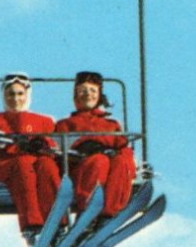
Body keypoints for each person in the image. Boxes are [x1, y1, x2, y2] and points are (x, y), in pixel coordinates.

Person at [0, 72, 62, 241]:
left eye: (20, 93)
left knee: (48, 166)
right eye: (11, 94)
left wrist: (44, 146)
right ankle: (32, 226)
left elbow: (54, 147)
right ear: (4, 95)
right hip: (6, 166)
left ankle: (58, 223)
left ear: (27, 95)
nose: (15, 98)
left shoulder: (44, 121)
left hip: (37, 163)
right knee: (23, 165)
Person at [55, 70, 136, 225]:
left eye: (93, 90)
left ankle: (108, 214)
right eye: (83, 91)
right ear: (76, 95)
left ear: (99, 94)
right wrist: (82, 151)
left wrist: (125, 161)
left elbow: (123, 147)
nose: (88, 94)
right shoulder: (66, 124)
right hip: (81, 169)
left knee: (121, 162)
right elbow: (58, 152)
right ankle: (87, 212)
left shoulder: (111, 124)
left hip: (109, 167)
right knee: (99, 161)